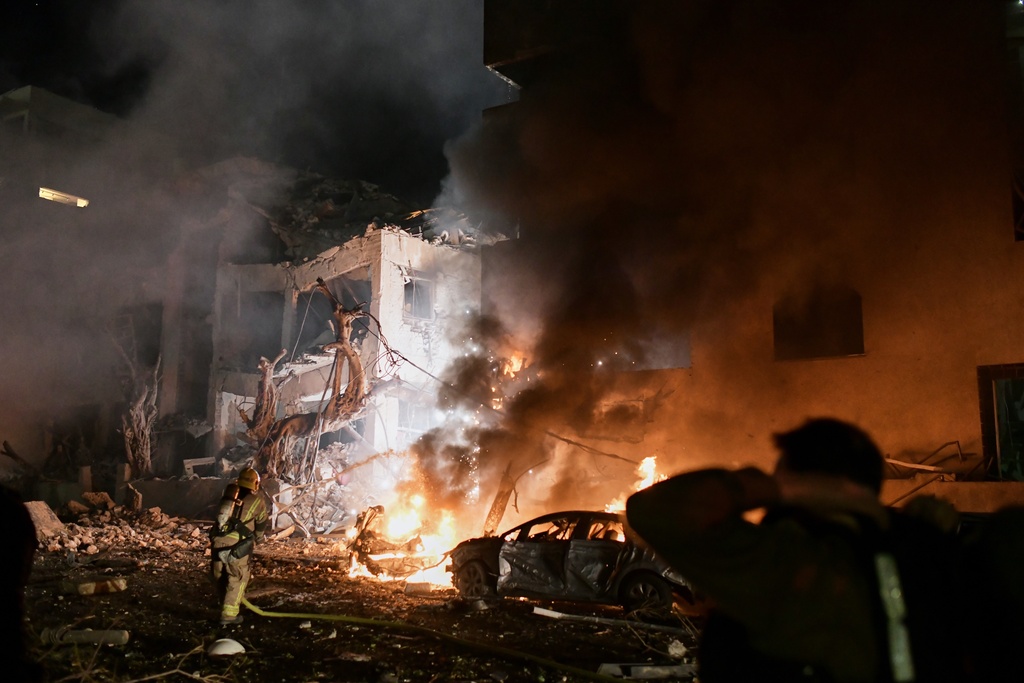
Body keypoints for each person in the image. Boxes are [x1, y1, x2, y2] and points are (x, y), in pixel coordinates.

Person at [625, 418, 965, 683]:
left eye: (782, 471)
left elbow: (653, 511)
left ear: (813, 486)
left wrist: (769, 489)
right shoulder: (928, 554)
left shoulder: (790, 561)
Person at [209, 467, 269, 625]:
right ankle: (228, 617)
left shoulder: (227, 498)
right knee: (237, 577)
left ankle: (223, 605)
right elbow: (262, 522)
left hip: (217, 542)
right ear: (255, 484)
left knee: (220, 576)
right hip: (238, 545)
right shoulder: (258, 501)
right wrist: (259, 537)